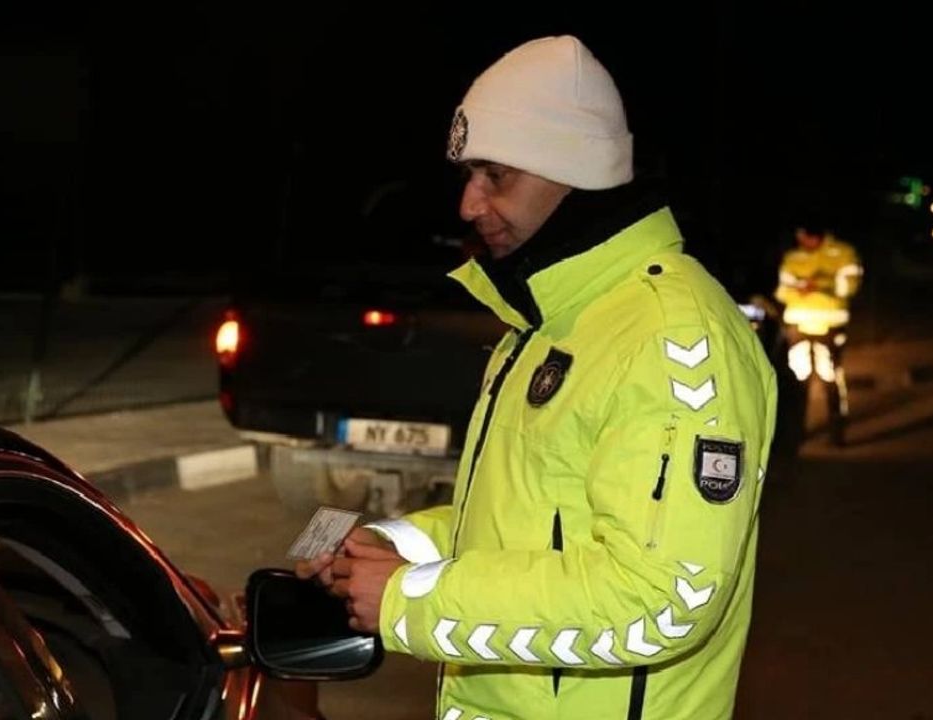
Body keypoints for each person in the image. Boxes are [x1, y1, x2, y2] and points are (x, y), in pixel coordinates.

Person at [298, 35, 777, 719]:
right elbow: (521, 533)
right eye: (469, 175)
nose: (469, 205)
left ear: (574, 170)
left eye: (497, 176)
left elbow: (665, 598)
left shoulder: (672, 337)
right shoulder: (547, 324)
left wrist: (411, 601)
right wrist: (389, 546)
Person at [773, 222, 862, 446]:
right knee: (798, 377)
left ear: (815, 235)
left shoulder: (842, 253)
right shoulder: (793, 257)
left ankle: (837, 431)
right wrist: (804, 286)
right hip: (798, 327)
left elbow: (848, 287)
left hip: (829, 326)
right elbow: (782, 291)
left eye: (804, 235)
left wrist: (818, 284)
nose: (801, 240)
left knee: (829, 376)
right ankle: (795, 431)